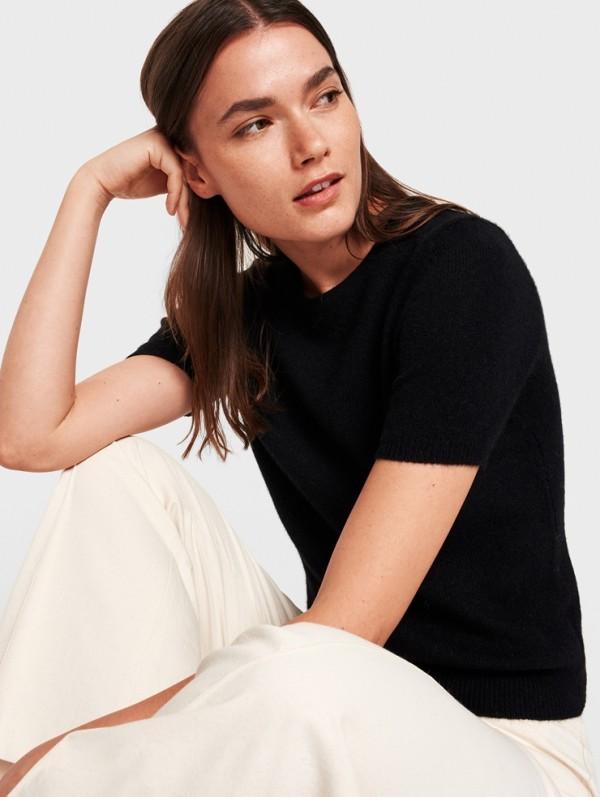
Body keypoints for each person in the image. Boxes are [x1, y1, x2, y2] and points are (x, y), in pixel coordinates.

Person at [0, 0, 597, 794]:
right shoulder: (248, 314)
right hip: (330, 695)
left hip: (504, 749)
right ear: (197, 171)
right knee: (114, 480)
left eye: (325, 96)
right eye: (255, 124)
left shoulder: (462, 273)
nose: (311, 143)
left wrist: (54, 761)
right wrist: (89, 190)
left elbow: (350, 630)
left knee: (304, 672)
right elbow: (32, 436)